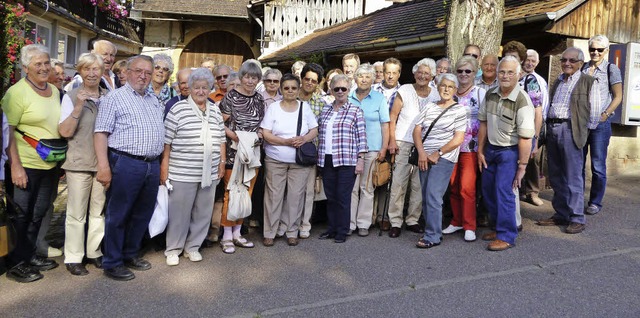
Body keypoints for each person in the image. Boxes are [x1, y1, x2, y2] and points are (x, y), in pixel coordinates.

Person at [95, 55, 165, 281]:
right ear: (128, 71)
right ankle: (112, 262)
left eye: (147, 72)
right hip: (125, 162)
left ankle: (130, 253)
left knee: (142, 213)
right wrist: (103, 166)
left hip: (151, 164)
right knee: (119, 214)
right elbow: (101, 133)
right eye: (138, 71)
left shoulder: (153, 100)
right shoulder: (114, 98)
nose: (143, 76)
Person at [2, 44, 61, 283]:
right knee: (21, 214)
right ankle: (15, 263)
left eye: (47, 63)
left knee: (39, 212)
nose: (44, 68)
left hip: (49, 164)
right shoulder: (16, 94)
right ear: (25, 68)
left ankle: (29, 255)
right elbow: (7, 132)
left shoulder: (54, 91)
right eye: (38, 64)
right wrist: (15, 166)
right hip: (24, 164)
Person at [161, 68, 226, 266]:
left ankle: (193, 247)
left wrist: (222, 163)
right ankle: (173, 249)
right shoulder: (178, 109)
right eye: (196, 87)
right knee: (179, 212)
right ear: (189, 89)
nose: (200, 91)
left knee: (203, 211)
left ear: (209, 89)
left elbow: (221, 138)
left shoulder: (214, 109)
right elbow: (167, 142)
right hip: (183, 171)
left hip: (210, 171)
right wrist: (164, 168)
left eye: (204, 88)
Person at [536, 47, 601, 234]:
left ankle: (577, 217)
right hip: (554, 129)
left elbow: (595, 113)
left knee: (573, 176)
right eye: (564, 60)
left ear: (580, 63)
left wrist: (581, 132)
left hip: (571, 130)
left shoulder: (588, 81)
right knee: (555, 175)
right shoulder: (558, 81)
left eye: (571, 61)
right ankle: (561, 214)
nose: (567, 63)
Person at [477, 56, 535, 251]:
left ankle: (507, 235)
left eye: (510, 72)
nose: (505, 76)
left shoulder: (522, 100)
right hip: (491, 150)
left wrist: (522, 167)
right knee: (488, 191)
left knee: (505, 192)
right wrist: (480, 150)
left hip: (509, 152)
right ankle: (498, 227)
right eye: (502, 72)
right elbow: (483, 122)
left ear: (518, 75)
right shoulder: (491, 94)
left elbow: (526, 138)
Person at [58, 53, 107, 276]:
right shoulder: (70, 95)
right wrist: (79, 106)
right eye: (86, 69)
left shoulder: (109, 96)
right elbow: (65, 131)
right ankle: (73, 256)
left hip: (102, 164)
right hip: (78, 163)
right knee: (76, 214)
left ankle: (94, 252)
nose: (91, 73)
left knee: (98, 212)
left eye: (95, 69)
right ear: (80, 71)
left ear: (102, 71)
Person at [261, 74, 318, 246]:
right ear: (281, 89)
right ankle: (269, 232)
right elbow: (266, 133)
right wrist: (284, 141)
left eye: (294, 88)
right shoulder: (274, 108)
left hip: (299, 161)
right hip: (275, 158)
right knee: (273, 196)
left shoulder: (304, 107)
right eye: (286, 88)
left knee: (295, 197)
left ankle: (292, 231)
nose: (290, 91)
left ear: (298, 89)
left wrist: (304, 139)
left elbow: (314, 129)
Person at [387, 58, 440, 238]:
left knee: (418, 185)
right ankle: (395, 221)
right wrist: (392, 141)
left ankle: (412, 220)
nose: (422, 76)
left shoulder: (436, 95)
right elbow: (392, 117)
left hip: (425, 145)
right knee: (399, 183)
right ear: (414, 73)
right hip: (403, 141)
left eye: (426, 73)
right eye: (420, 72)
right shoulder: (404, 90)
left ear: (432, 76)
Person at [413, 74, 467, 249]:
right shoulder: (429, 106)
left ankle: (433, 235)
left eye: (450, 87)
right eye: (443, 85)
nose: (446, 89)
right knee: (426, 195)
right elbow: (417, 130)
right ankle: (431, 229)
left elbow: (458, 138)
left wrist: (438, 152)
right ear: (438, 87)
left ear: (455, 90)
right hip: (424, 157)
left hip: (443, 158)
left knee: (433, 195)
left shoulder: (459, 110)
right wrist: (421, 152)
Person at [218, 59, 265, 254]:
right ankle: (226, 235)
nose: (250, 80)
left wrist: (258, 136)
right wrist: (235, 136)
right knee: (231, 194)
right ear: (241, 77)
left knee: (246, 193)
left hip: (252, 152)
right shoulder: (230, 97)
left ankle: (238, 232)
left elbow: (262, 124)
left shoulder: (260, 99)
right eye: (246, 76)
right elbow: (219, 123)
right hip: (233, 152)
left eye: (254, 77)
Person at [317, 74, 367, 243]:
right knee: (330, 197)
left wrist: (360, 159)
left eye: (343, 89)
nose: (339, 92)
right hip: (327, 158)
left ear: (348, 90)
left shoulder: (355, 111)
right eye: (336, 88)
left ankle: (342, 231)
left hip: (347, 160)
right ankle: (331, 229)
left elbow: (362, 137)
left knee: (343, 197)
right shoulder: (326, 109)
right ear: (331, 90)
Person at [443, 56, 486, 242]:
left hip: (471, 146)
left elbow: (485, 122)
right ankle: (457, 220)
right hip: (450, 146)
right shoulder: (450, 93)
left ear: (475, 72)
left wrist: (482, 149)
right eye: (460, 71)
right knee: (453, 185)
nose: (463, 74)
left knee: (467, 187)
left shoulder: (480, 93)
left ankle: (470, 225)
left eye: (468, 71)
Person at [503, 41, 544, 225]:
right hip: (503, 137)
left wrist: (535, 139)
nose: (511, 60)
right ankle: (503, 220)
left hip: (519, 137)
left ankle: (515, 222)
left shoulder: (529, 81)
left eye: (515, 57)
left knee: (513, 182)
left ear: (521, 60)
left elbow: (537, 111)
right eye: (507, 56)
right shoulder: (502, 78)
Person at [581, 34, 623, 215]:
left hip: (600, 125)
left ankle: (595, 202)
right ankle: (577, 199)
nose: (595, 52)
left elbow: (618, 96)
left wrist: (605, 115)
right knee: (578, 164)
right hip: (582, 123)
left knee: (598, 166)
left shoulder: (611, 69)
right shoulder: (583, 67)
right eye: (592, 49)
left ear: (606, 51)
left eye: (599, 49)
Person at [348, 64, 389, 237]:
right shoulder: (347, 96)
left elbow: (385, 125)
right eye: (361, 76)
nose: (364, 79)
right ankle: (349, 223)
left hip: (372, 148)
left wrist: (384, 147)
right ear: (355, 78)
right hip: (350, 149)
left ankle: (363, 223)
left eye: (367, 76)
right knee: (351, 188)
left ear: (373, 79)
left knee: (367, 188)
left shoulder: (379, 98)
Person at [372, 57, 402, 230]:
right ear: (382, 73)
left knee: (386, 179)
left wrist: (392, 141)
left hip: (393, 142)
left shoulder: (403, 91)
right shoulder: (373, 90)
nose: (390, 76)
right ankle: (370, 216)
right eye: (387, 72)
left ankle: (384, 216)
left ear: (399, 74)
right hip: (374, 139)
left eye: (394, 73)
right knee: (370, 179)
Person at [297, 63, 326, 239]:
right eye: (306, 79)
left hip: (309, 154)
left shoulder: (321, 104)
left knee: (308, 192)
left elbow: (321, 132)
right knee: (290, 192)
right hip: (288, 151)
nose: (309, 83)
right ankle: (288, 223)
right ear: (301, 79)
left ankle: (305, 224)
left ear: (318, 84)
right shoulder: (290, 97)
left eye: (313, 81)